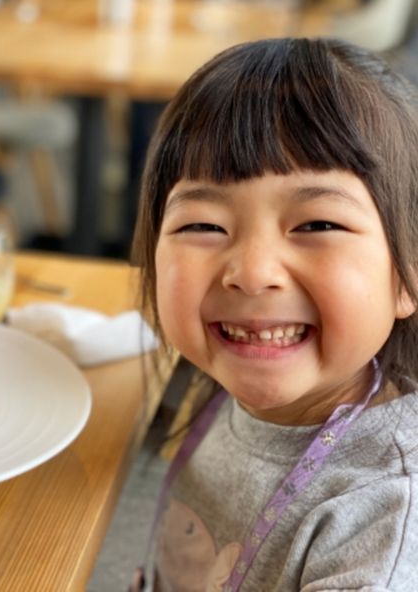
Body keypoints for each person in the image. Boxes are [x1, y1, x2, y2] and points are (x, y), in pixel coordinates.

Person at [131, 37, 418, 591]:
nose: (253, 271)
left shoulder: (386, 520)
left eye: (316, 225)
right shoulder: (230, 371)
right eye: (203, 226)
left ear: (406, 272)